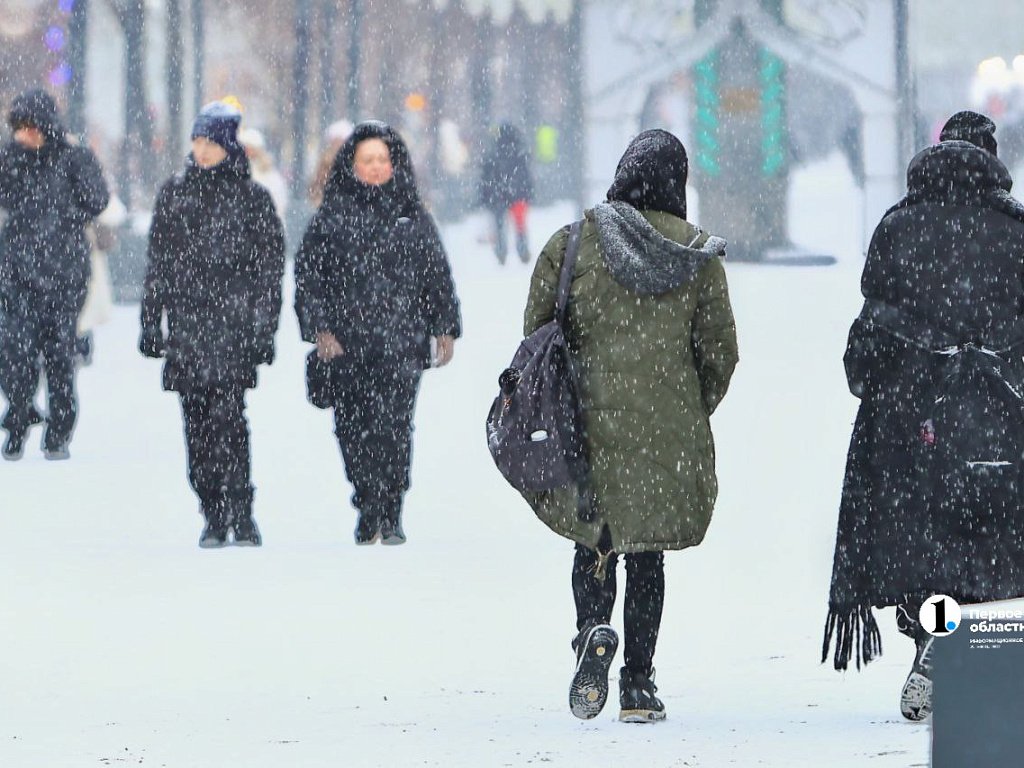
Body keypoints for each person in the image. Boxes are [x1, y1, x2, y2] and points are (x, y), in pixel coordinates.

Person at [522, 129, 738, 723]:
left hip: (584, 424)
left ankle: (593, 629)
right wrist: (686, 408)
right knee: (648, 556)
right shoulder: (696, 255)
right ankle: (639, 685)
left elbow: (538, 329)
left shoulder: (571, 244)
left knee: (594, 542)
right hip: (664, 429)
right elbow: (720, 351)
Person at [823, 110, 1024, 721]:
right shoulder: (1014, 234)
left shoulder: (899, 227)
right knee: (980, 541)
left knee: (920, 540)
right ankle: (950, 640)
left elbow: (873, 327)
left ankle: (931, 637)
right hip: (994, 419)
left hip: (911, 419)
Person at [294, 120, 461, 545]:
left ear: (394, 164)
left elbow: (436, 275)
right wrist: (319, 328)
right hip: (347, 346)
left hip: (401, 343)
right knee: (351, 427)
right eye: (366, 160)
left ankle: (392, 507)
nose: (374, 167)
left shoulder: (412, 217)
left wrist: (445, 326)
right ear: (351, 165)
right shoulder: (331, 217)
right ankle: (366, 501)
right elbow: (308, 277)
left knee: (395, 426)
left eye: (382, 160)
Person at [139, 101, 285, 548]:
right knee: (196, 424)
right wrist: (151, 322)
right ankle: (211, 508)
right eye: (197, 142)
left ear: (228, 147)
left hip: (234, 328)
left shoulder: (252, 199)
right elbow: (158, 263)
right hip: (188, 328)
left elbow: (270, 269)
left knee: (228, 419)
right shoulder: (175, 194)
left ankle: (240, 511)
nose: (202, 151)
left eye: (210, 143)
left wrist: (263, 328)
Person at [0, 89, 109, 460]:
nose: (23, 135)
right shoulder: (10, 159)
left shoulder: (73, 158)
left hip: (64, 273)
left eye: (29, 127)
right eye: (18, 128)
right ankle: (17, 417)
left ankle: (59, 430)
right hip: (16, 271)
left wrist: (68, 212)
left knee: (59, 355)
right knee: (14, 351)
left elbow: (97, 200)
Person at [479, 122, 533, 264]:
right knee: (520, 225)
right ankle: (522, 251)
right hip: (518, 195)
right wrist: (528, 194)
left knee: (499, 225)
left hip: (499, 195)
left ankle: (501, 252)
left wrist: (486, 196)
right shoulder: (520, 152)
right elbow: (526, 176)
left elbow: (486, 177)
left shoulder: (493, 152)